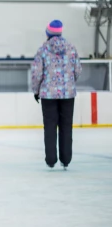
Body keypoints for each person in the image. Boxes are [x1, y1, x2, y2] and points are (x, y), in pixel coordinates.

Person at [31, 19, 82, 169]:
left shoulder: (43, 50)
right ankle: (66, 160)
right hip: (68, 94)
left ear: (48, 33)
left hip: (48, 94)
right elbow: (78, 70)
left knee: (50, 126)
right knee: (66, 126)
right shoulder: (71, 48)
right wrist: (69, 83)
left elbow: (37, 73)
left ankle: (51, 159)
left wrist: (36, 90)